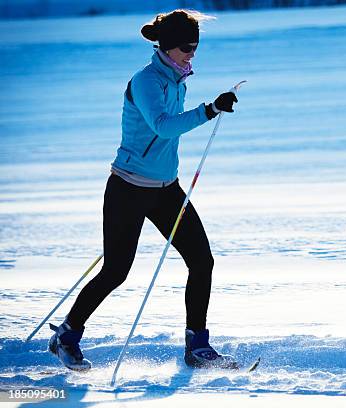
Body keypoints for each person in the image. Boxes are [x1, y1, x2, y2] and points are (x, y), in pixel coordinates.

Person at [48, 9, 238, 371]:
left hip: (166, 189)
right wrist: (210, 109)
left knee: (202, 261)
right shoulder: (146, 81)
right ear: (166, 46)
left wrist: (210, 109)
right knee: (116, 271)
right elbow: (163, 127)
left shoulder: (177, 79)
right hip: (128, 189)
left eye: (195, 47)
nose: (191, 54)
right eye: (186, 47)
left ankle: (197, 346)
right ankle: (67, 336)